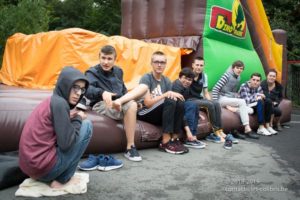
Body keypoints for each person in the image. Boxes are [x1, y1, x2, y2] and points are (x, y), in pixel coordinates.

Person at [19, 66, 93, 189]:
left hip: (31, 168)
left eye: (82, 89)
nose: (79, 93)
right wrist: (78, 118)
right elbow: (66, 144)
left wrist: (71, 118)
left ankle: (55, 175)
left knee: (77, 125)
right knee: (87, 126)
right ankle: (62, 180)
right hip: (44, 171)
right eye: (75, 87)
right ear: (65, 84)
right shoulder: (60, 104)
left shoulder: (53, 100)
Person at [113, 51, 188, 154]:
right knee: (170, 99)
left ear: (165, 64)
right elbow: (147, 103)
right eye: (156, 62)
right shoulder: (147, 78)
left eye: (162, 62)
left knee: (179, 101)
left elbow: (172, 103)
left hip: (161, 114)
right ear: (151, 63)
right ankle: (165, 141)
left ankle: (174, 139)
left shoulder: (166, 80)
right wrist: (165, 95)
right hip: (145, 112)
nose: (159, 65)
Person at [84, 45, 142, 162]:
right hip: (101, 103)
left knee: (141, 92)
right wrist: (102, 93)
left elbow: (123, 90)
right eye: (103, 58)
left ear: (115, 59)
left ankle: (133, 108)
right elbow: (87, 90)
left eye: (109, 59)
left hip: (118, 102)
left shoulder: (118, 71)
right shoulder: (91, 72)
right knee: (132, 105)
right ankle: (130, 147)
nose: (106, 62)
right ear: (99, 57)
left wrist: (130, 100)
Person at [189, 57, 239, 143]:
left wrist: (211, 101)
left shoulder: (204, 76)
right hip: (190, 99)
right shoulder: (188, 75)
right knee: (210, 105)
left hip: (198, 98)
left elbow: (206, 92)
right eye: (197, 65)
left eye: (201, 65)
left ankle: (220, 130)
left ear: (204, 66)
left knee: (215, 103)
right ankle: (215, 132)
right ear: (193, 65)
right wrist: (209, 103)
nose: (199, 67)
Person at [211, 60, 259, 139]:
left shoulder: (238, 78)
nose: (239, 70)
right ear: (233, 68)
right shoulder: (226, 75)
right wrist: (216, 104)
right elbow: (215, 89)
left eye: (241, 68)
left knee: (251, 110)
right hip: (221, 99)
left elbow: (233, 92)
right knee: (242, 102)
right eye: (237, 68)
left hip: (229, 100)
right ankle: (247, 128)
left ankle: (232, 109)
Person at [171, 67, 206, 149]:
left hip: (181, 108)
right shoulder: (176, 86)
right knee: (191, 105)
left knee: (194, 105)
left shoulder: (186, 87)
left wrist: (197, 113)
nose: (187, 81)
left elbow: (185, 103)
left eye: (190, 80)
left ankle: (193, 136)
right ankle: (189, 138)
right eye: (185, 78)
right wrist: (188, 131)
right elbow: (179, 109)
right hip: (173, 111)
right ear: (180, 77)